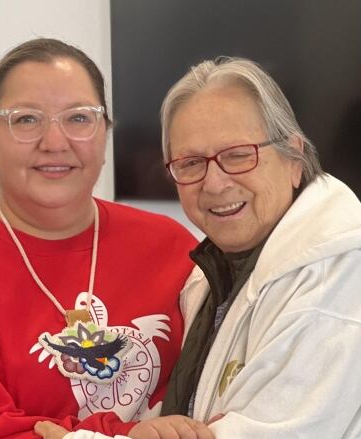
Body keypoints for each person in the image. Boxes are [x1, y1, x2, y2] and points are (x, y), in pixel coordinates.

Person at [0, 38, 204, 438]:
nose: (55, 142)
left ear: (105, 134)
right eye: (26, 120)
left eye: (79, 118)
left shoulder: (171, 248)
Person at [36, 57, 361, 438]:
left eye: (238, 155)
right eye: (191, 163)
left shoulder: (334, 277)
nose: (215, 184)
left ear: (294, 158)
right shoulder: (208, 278)